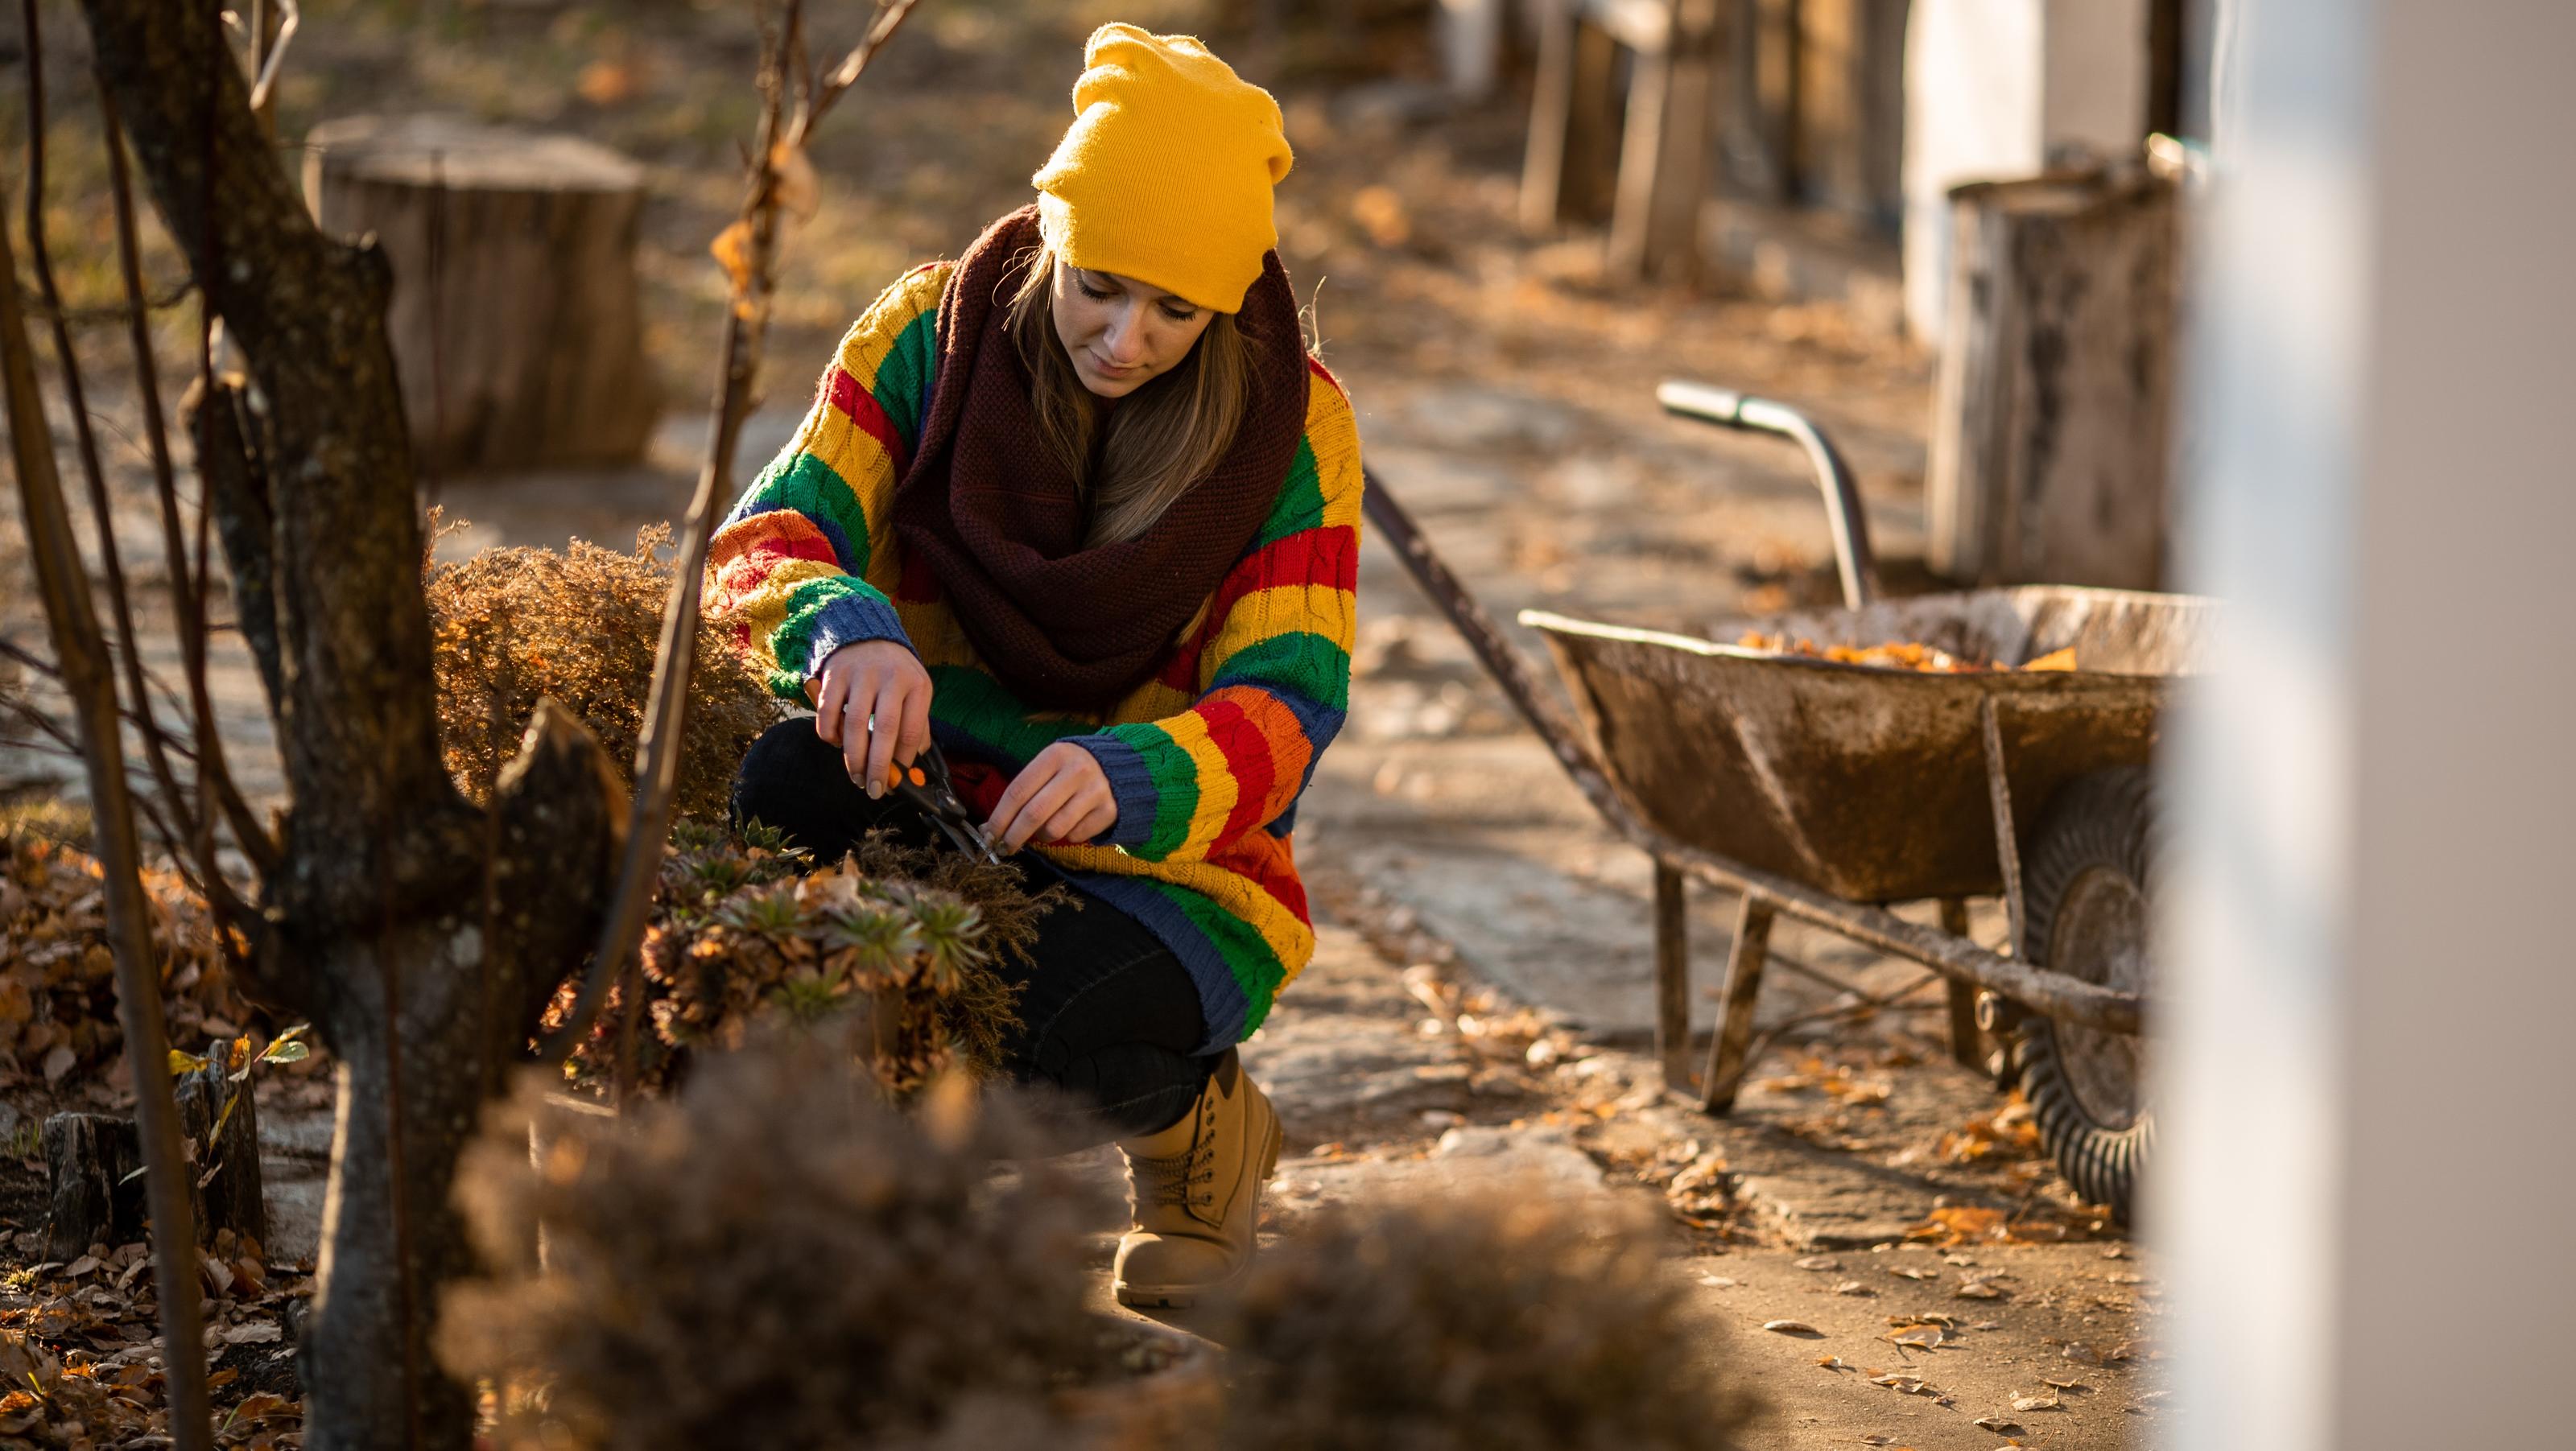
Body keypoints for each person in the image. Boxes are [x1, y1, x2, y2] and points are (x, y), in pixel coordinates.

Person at [710, 23, 1360, 1309]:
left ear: (1226, 302)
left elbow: (1291, 700)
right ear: (1053, 235)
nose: (1126, 338)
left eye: (1177, 309)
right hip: (929, 788)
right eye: (1100, 286)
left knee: (1026, 1045)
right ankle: (804, 1201)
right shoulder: (927, 333)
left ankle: (1200, 1136)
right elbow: (764, 542)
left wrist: (1134, 771)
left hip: (1166, 867)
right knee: (783, 786)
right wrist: (844, 626)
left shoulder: (1294, 426)